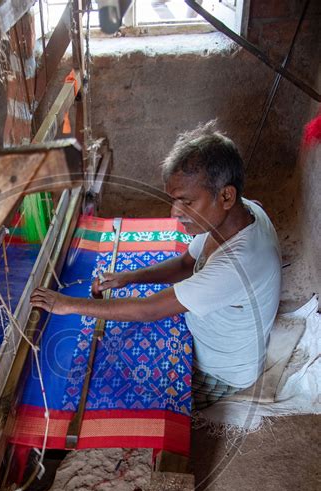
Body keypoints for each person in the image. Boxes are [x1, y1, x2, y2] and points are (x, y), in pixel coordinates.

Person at [31, 122, 282, 409]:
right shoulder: (239, 214)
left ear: (226, 196)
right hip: (213, 335)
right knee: (121, 343)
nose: (175, 213)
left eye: (186, 202)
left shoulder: (237, 265)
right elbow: (188, 263)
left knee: (114, 386)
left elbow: (147, 311)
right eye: (174, 201)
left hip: (221, 371)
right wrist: (130, 277)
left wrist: (68, 305)